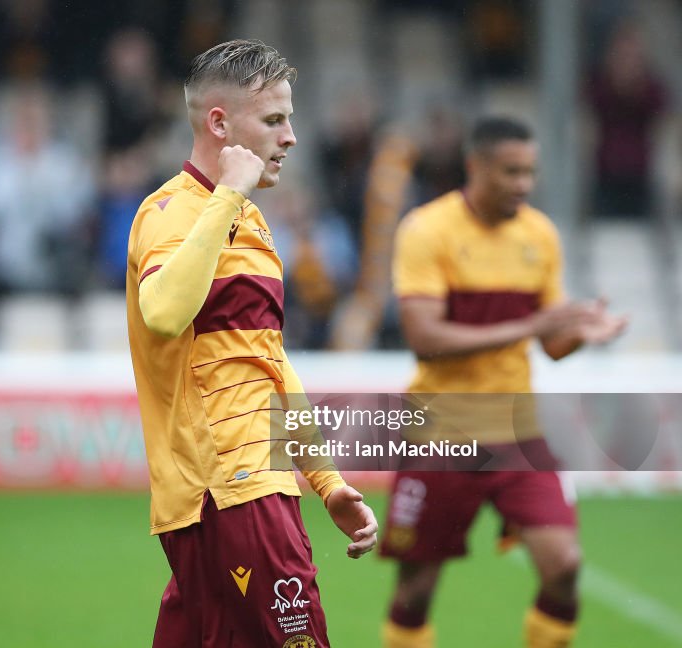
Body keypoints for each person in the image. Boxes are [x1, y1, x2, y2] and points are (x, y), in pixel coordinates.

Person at [126, 39, 378, 647]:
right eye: (274, 120)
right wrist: (229, 196)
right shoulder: (168, 213)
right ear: (220, 123)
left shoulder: (253, 224)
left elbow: (269, 361)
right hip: (230, 491)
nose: (290, 136)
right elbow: (161, 312)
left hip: (248, 485)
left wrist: (325, 480)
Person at [379, 116, 627, 648]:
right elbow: (425, 337)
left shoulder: (539, 234)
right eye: (511, 172)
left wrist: (584, 332)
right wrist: (531, 326)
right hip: (440, 436)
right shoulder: (427, 229)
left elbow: (552, 346)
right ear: (476, 167)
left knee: (563, 567)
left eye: (530, 172)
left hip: (518, 434)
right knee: (415, 592)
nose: (523, 184)